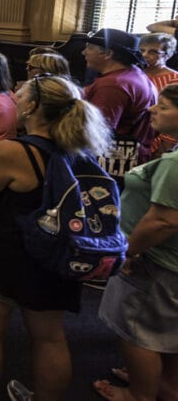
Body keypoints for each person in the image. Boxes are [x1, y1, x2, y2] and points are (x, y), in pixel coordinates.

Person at [0, 74, 114, 401]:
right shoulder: (81, 147)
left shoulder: (11, 151)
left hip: (6, 252)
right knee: (50, 338)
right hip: (59, 252)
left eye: (20, 96)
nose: (15, 99)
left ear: (32, 106)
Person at [93, 83, 178, 401]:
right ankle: (164, 382)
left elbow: (163, 221)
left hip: (155, 261)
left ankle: (139, 393)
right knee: (166, 333)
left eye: (165, 107)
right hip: (170, 263)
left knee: (136, 334)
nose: (153, 109)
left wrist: (128, 252)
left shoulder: (174, 163)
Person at [83, 28, 157, 167]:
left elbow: (98, 133)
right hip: (135, 157)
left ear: (107, 53)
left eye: (89, 48)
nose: (84, 52)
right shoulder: (134, 74)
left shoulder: (112, 85)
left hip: (110, 164)